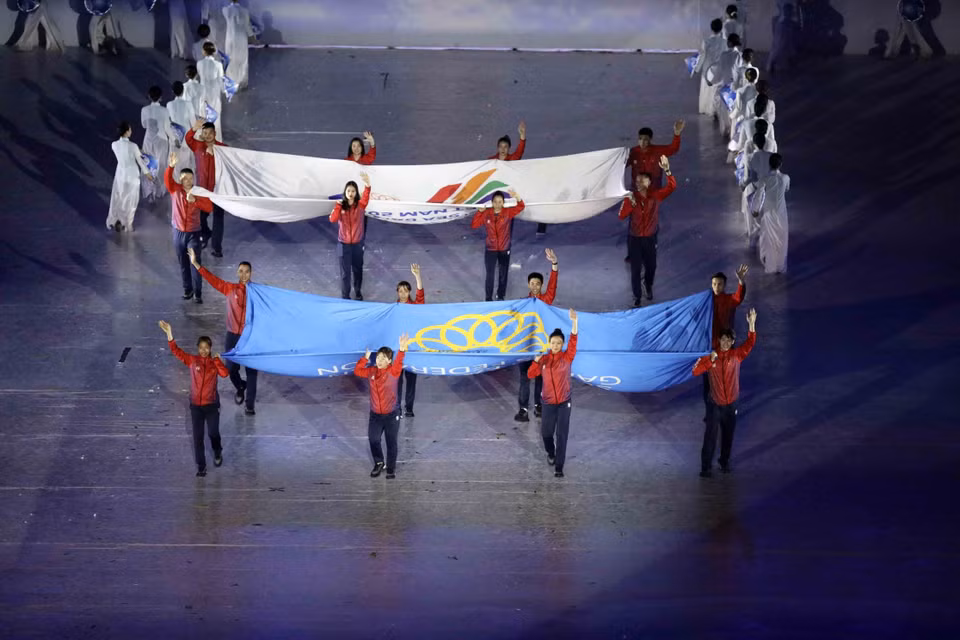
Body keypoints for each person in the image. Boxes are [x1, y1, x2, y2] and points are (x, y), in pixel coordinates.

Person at [188, 247, 258, 416]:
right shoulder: (229, 288)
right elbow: (212, 280)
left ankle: (250, 405)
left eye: (247, 272)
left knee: (252, 371)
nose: (243, 275)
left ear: (251, 274)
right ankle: (240, 386)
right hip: (233, 335)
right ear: (237, 273)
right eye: (240, 271)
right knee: (231, 370)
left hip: (250, 338)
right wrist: (196, 263)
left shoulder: (258, 293)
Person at [157, 320, 229, 477]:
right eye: (201, 347)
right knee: (198, 438)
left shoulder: (213, 363)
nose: (203, 350)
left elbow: (224, 374)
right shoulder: (192, 361)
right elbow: (176, 351)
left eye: (206, 347)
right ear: (198, 348)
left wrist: (217, 360)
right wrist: (169, 333)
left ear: (210, 348)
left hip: (211, 406)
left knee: (213, 433)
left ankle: (217, 451)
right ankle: (201, 466)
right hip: (196, 407)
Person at [692, 308, 757, 477]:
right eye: (723, 339)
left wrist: (752, 325)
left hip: (731, 404)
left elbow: (750, 344)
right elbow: (696, 371)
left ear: (733, 341)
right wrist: (710, 361)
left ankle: (724, 461)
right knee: (710, 437)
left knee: (728, 436)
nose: (726, 343)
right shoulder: (711, 357)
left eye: (729, 340)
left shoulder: (737, 355)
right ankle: (705, 467)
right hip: (715, 405)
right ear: (719, 340)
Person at [618, 156, 677, 306]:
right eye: (637, 181)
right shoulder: (631, 197)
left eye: (642, 181)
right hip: (635, 239)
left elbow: (672, 187)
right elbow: (621, 216)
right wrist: (630, 204)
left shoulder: (655, 196)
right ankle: (637, 296)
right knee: (635, 269)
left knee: (651, 266)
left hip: (650, 238)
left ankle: (648, 284)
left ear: (649, 182)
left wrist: (668, 171)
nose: (638, 183)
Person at [528, 308, 578, 478]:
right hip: (548, 403)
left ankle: (559, 466)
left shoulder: (567, 357)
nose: (555, 346)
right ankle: (551, 452)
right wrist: (535, 362)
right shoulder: (544, 359)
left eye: (558, 343)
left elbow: (574, 340)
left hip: (564, 402)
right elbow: (530, 375)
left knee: (562, 434)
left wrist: (574, 322)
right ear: (549, 344)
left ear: (562, 344)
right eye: (553, 343)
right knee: (546, 433)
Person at [354, 333, 410, 479]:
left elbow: (399, 361)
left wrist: (402, 350)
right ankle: (379, 463)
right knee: (373, 439)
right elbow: (358, 371)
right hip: (375, 415)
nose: (379, 360)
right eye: (378, 357)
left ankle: (391, 468)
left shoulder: (393, 371)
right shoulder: (372, 371)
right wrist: (365, 358)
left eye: (383, 358)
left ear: (389, 361)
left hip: (391, 415)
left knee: (391, 442)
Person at [515, 248, 559, 423]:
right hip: (526, 347)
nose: (534, 286)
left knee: (540, 378)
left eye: (537, 284)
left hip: (541, 347)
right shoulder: (522, 304)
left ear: (541, 285)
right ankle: (523, 409)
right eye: (532, 283)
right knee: (525, 378)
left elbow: (554, 284)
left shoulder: (546, 300)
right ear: (528, 285)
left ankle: (538, 406)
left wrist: (554, 264)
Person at [165, 151, 213, 302]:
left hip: (193, 233)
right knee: (183, 263)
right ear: (180, 179)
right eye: (185, 178)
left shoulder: (198, 192)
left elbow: (209, 207)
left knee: (195, 262)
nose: (188, 181)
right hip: (178, 233)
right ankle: (188, 290)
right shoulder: (175, 189)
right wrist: (171, 167)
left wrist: (195, 201)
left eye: (191, 178)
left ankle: (198, 292)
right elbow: (167, 180)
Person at [703, 266, 748, 424]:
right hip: (710, 349)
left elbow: (738, 297)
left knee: (726, 381)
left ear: (724, 285)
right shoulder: (706, 301)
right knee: (708, 384)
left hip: (725, 348)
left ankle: (726, 410)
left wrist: (741, 280)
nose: (716, 287)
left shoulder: (728, 300)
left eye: (720, 284)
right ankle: (711, 412)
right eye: (714, 284)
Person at [470, 190, 526, 302]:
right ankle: (488, 298)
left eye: (500, 202)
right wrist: (480, 212)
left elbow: (521, 207)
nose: (497, 204)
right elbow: (474, 225)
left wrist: (517, 197)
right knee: (490, 275)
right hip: (490, 249)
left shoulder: (508, 212)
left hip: (504, 249)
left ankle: (500, 296)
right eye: (495, 201)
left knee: (503, 274)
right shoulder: (487, 213)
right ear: (492, 202)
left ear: (503, 203)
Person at [186, 119, 227, 256]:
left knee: (218, 218)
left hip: (218, 190)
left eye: (210, 133)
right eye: (205, 133)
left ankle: (217, 248)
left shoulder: (223, 149)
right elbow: (188, 139)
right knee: (200, 217)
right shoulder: (198, 146)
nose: (208, 135)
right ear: (202, 134)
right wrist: (194, 128)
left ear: (215, 133)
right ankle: (206, 233)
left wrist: (215, 154)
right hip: (203, 190)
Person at [330, 173, 372, 300]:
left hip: (358, 244)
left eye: (353, 191)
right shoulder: (340, 206)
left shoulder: (360, 205)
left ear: (356, 192)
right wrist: (338, 206)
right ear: (345, 192)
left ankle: (358, 292)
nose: (351, 193)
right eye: (348, 190)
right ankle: (345, 296)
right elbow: (333, 219)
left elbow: (365, 197)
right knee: (345, 273)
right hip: (342, 244)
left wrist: (368, 185)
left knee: (357, 270)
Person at [106, 121, 151, 233]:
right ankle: (128, 224)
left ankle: (115, 219)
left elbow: (126, 153)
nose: (131, 131)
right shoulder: (133, 146)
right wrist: (147, 173)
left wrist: (137, 152)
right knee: (131, 200)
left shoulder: (114, 145)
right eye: (130, 129)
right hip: (132, 175)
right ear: (126, 132)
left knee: (119, 197)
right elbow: (140, 161)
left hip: (120, 174)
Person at [394, 264, 425, 417]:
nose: (403, 294)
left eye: (406, 291)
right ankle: (397, 408)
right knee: (397, 382)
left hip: (412, 350)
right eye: (400, 291)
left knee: (411, 382)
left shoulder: (416, 306)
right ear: (397, 293)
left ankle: (409, 408)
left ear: (409, 292)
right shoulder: (392, 309)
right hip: (398, 351)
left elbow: (421, 293)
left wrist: (417, 276)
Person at [753, 153, 791, 274]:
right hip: (781, 212)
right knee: (781, 238)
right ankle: (780, 265)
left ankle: (770, 265)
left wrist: (755, 209)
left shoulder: (765, 178)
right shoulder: (785, 178)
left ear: (769, 164)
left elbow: (759, 194)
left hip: (768, 213)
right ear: (780, 164)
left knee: (769, 238)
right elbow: (787, 189)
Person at [141, 86, 174, 204]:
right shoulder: (165, 111)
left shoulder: (144, 110)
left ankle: (150, 192)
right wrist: (174, 139)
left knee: (149, 165)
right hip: (162, 140)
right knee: (161, 165)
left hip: (149, 140)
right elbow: (166, 127)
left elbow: (144, 125)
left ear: (149, 96)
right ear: (161, 97)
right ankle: (159, 191)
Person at [741, 132, 772, 247]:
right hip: (768, 190)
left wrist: (743, 184)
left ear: (753, 144)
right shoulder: (771, 156)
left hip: (754, 189)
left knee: (751, 215)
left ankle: (752, 237)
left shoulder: (750, 157)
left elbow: (751, 177)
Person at [693, 19, 726, 116]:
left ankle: (705, 108)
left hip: (707, 69)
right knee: (715, 90)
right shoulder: (724, 42)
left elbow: (702, 56)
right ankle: (715, 109)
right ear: (721, 29)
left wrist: (697, 68)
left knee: (706, 89)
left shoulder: (706, 41)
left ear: (711, 28)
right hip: (719, 69)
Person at [712, 34, 743, 136]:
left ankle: (726, 129)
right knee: (735, 109)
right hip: (736, 86)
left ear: (729, 42)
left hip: (725, 86)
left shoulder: (723, 55)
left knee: (725, 109)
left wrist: (712, 81)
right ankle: (734, 131)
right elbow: (741, 72)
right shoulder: (739, 55)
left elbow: (719, 72)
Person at [167, 81, 198, 179]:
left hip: (174, 137)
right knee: (186, 162)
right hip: (186, 138)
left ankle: (177, 186)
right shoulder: (188, 104)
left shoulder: (169, 105)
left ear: (172, 92)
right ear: (183, 90)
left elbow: (168, 122)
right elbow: (193, 122)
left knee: (175, 163)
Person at [223, 0, 256, 89]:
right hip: (240, 38)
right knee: (242, 59)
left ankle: (231, 81)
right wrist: (252, 37)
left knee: (230, 58)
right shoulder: (244, 10)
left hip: (230, 37)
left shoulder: (225, 10)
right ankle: (241, 81)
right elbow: (247, 26)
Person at [197, 42, 226, 142]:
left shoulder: (199, 63)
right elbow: (221, 80)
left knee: (204, 116)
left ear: (204, 52)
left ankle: (204, 139)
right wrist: (224, 91)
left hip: (204, 92)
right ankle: (216, 139)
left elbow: (201, 76)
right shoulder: (218, 65)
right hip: (214, 93)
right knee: (215, 117)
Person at [730, 67, 759, 144]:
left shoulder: (740, 91)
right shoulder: (758, 91)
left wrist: (731, 116)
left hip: (743, 119)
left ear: (746, 77)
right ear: (756, 77)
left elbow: (738, 109)